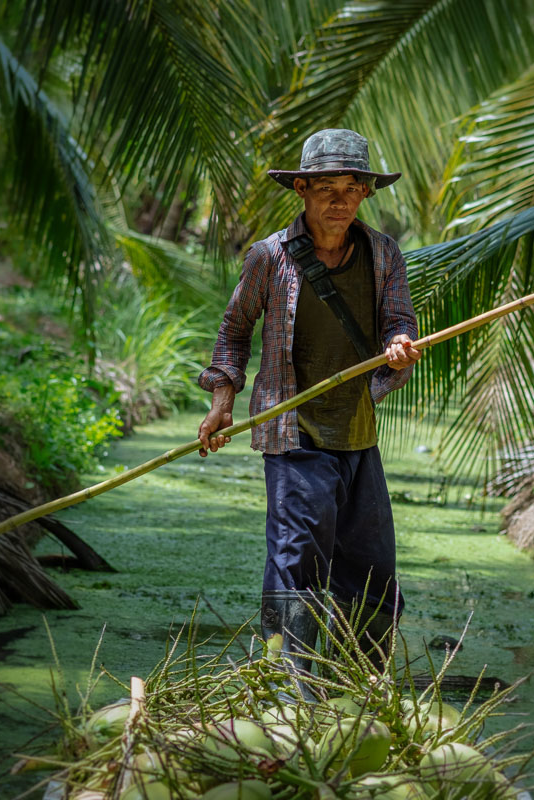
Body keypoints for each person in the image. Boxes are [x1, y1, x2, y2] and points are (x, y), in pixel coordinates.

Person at [196, 129, 420, 687]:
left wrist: (397, 347)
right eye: (326, 188)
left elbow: (400, 323)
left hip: (358, 431)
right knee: (298, 560)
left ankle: (361, 684)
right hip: (293, 432)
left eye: (352, 187)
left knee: (371, 567)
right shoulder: (270, 257)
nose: (339, 200)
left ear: (366, 193)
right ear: (301, 189)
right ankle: (293, 684)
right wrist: (224, 398)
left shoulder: (384, 254)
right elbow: (234, 327)